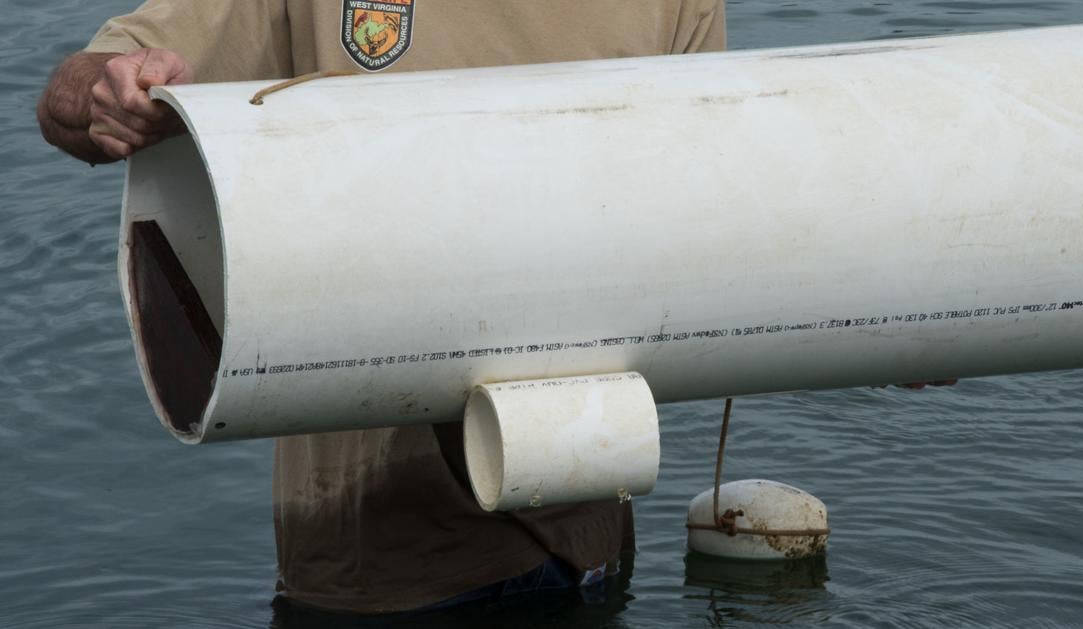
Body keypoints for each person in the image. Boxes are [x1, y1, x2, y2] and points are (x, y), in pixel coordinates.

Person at [38, 0, 727, 615]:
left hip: (589, 536)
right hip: (379, 564)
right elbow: (79, 89)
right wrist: (112, 88)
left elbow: (718, 208)